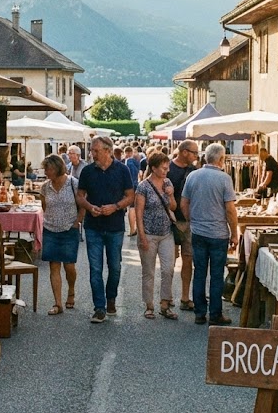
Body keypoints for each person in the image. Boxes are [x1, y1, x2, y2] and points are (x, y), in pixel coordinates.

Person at [77, 136, 135, 324]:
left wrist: (116, 206)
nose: (92, 154)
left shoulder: (122, 170)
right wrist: (88, 206)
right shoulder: (87, 171)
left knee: (115, 267)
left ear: (108, 151)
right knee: (95, 268)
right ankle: (99, 308)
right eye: (92, 150)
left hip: (115, 226)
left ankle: (111, 297)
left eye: (96, 150)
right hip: (93, 227)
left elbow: (130, 196)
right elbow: (80, 196)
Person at [181, 143, 238, 326]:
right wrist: (234, 233)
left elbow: (184, 203)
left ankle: (199, 313)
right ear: (221, 159)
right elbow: (230, 209)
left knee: (199, 272)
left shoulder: (193, 176)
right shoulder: (224, 179)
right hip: (218, 233)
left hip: (198, 232)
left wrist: (193, 220)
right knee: (216, 274)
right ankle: (215, 313)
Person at [40, 154, 84, 315]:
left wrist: (77, 221)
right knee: (54, 266)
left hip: (69, 229)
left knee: (69, 266)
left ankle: (71, 290)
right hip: (50, 229)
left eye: (48, 168)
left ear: (57, 168)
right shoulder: (45, 187)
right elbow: (44, 206)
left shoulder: (73, 183)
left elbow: (82, 204)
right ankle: (58, 303)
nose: (46, 172)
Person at [135, 152, 178, 320]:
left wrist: (170, 194)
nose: (166, 170)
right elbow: (138, 213)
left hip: (166, 233)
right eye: (163, 167)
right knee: (149, 272)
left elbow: (173, 207)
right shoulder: (143, 186)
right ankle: (149, 305)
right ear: (153, 168)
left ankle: (165, 304)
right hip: (149, 234)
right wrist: (142, 236)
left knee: (168, 269)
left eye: (167, 167)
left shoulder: (168, 183)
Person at [167, 139, 198, 311]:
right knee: (169, 260)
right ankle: (168, 295)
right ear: (184, 152)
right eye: (194, 153)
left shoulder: (194, 171)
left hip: (188, 221)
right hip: (170, 220)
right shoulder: (167, 168)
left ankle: (185, 297)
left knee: (188, 259)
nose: (196, 156)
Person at [124, 146, 141, 236]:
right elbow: (139, 173)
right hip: (136, 184)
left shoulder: (128, 162)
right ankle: (136, 228)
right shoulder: (137, 160)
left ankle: (132, 229)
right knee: (135, 207)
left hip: (129, 185)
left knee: (131, 207)